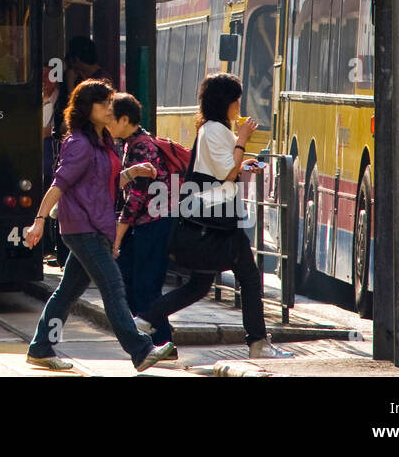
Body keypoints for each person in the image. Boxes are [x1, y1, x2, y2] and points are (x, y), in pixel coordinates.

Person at [132, 73, 292, 360]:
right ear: (225, 102)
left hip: (212, 217)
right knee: (250, 277)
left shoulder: (214, 129)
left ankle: (145, 318)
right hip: (217, 218)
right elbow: (226, 172)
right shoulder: (215, 130)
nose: (238, 106)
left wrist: (245, 161)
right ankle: (258, 342)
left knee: (199, 285)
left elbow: (227, 167)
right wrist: (242, 140)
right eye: (236, 100)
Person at [23, 79, 175, 372]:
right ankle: (140, 350)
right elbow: (59, 185)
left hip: (95, 226)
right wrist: (38, 221)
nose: (109, 107)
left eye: (110, 102)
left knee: (66, 293)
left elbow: (100, 181)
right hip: (83, 228)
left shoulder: (102, 141)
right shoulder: (79, 142)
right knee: (114, 287)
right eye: (103, 103)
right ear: (86, 107)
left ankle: (41, 347)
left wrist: (132, 172)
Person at [109, 92, 174, 348]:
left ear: (125, 119)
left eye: (111, 119)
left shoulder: (142, 147)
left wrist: (117, 236)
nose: (107, 124)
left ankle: (162, 342)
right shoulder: (131, 143)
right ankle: (151, 339)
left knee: (146, 285)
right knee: (127, 280)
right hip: (144, 225)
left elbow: (136, 199)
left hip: (153, 224)